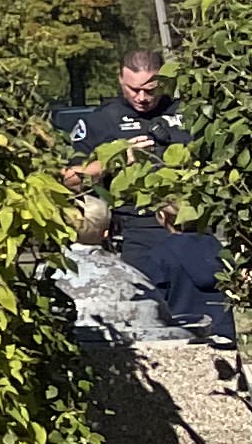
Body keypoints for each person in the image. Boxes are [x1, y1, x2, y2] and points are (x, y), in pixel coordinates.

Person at [67, 40, 226, 338]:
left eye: (150, 90)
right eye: (132, 89)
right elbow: (70, 179)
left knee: (209, 317)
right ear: (120, 80)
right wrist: (113, 161)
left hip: (194, 230)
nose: (141, 98)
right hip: (137, 231)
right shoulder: (102, 120)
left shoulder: (189, 113)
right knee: (149, 315)